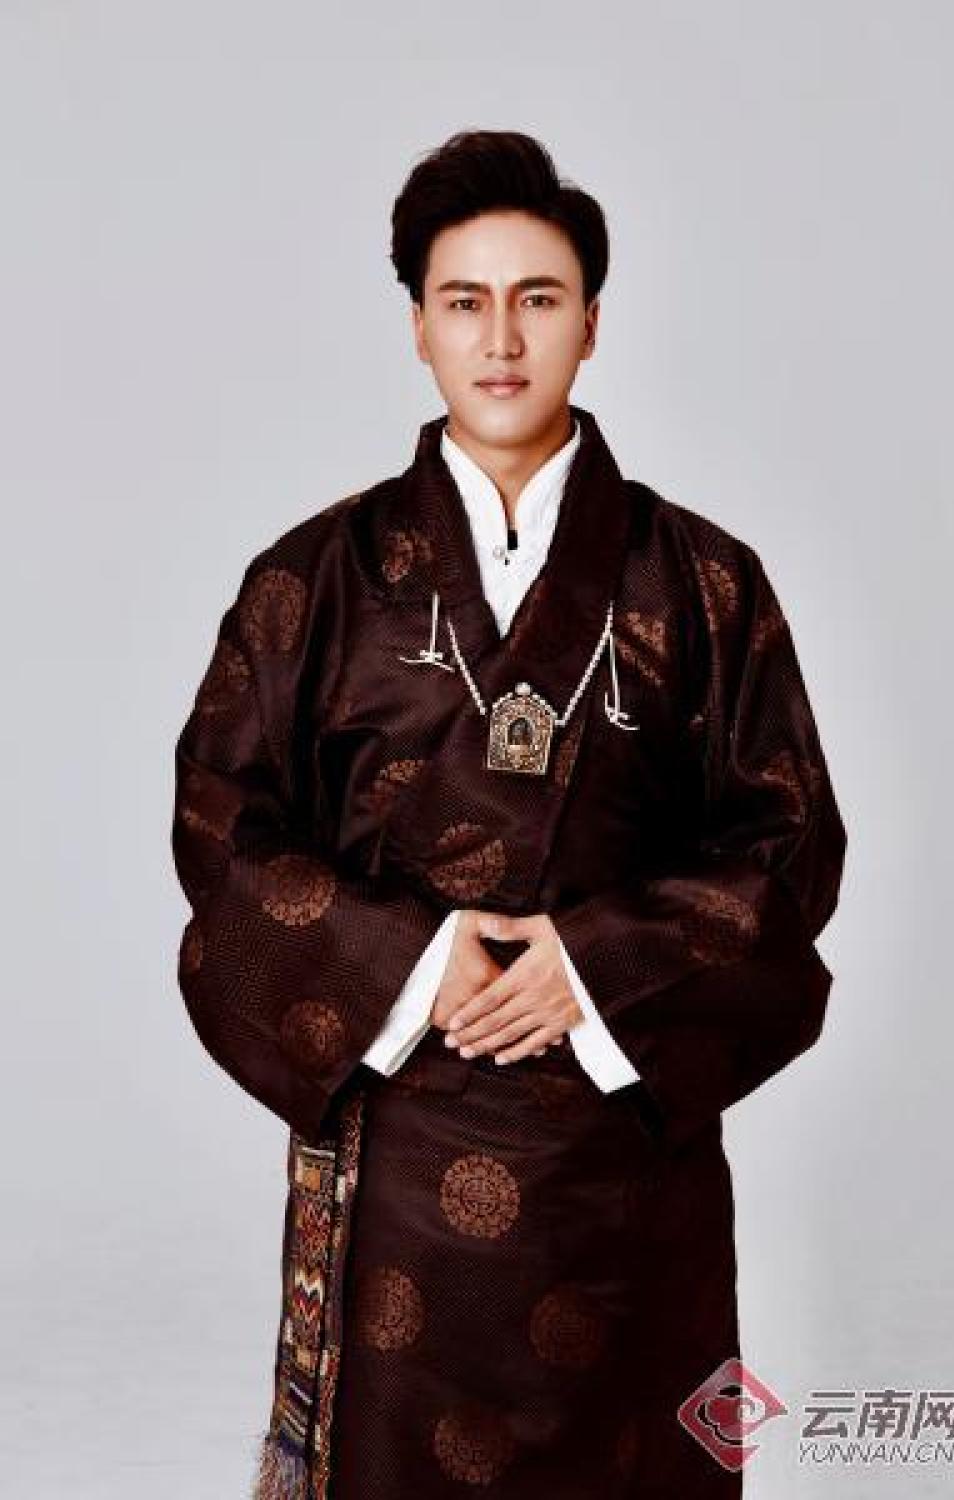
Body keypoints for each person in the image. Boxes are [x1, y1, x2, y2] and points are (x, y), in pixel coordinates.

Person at [170, 128, 847, 1499]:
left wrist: (589, 969)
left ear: (591, 321)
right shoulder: (318, 578)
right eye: (464, 300)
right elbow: (223, 833)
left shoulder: (703, 583)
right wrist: (419, 964)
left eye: (538, 298)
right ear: (418, 326)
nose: (501, 338)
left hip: (623, 1152)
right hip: (399, 1145)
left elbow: (788, 847)